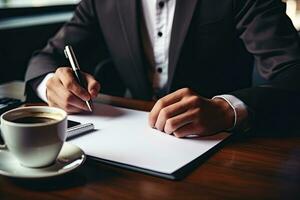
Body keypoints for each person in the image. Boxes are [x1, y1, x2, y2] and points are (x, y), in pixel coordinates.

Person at [25, 0, 300, 137]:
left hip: (224, 148)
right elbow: (46, 58)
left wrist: (228, 109)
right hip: (134, 140)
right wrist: (51, 83)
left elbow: (292, 72)